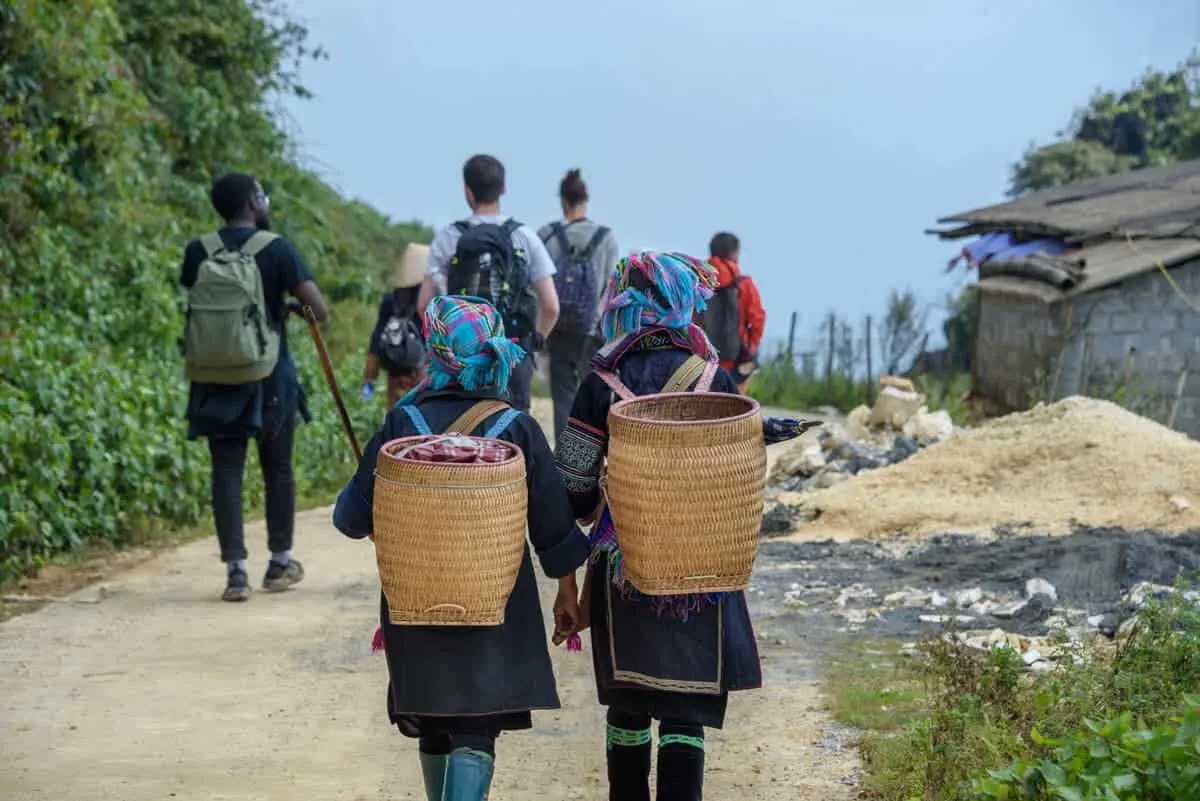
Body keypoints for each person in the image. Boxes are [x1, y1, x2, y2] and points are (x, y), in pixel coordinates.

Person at [332, 295, 590, 801]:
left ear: (436, 350)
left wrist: (395, 526)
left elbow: (349, 517)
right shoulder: (516, 428)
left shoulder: (400, 427)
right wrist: (567, 593)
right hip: (494, 611)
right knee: (476, 725)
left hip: (416, 608)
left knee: (434, 721)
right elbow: (554, 527)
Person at [554, 250, 767, 801]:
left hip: (626, 566)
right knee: (683, 710)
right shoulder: (715, 377)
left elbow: (574, 485)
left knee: (630, 703)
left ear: (622, 303)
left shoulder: (602, 380)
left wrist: (569, 577)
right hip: (702, 567)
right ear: (680, 302)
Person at [180, 172, 329, 602]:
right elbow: (318, 310)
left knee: (226, 469)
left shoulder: (199, 251)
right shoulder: (276, 248)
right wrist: (291, 307)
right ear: (251, 202)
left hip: (214, 375)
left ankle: (236, 572)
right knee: (277, 467)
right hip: (269, 373)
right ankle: (280, 563)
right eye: (261, 193)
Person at [418, 154, 560, 413]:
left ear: (467, 190)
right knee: (512, 434)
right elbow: (551, 306)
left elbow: (424, 305)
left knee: (459, 431)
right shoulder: (524, 236)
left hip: (460, 358)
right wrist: (529, 346)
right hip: (511, 351)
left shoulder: (448, 238)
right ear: (503, 189)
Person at [538, 169, 620, 441]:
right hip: (591, 329)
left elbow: (536, 282)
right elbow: (611, 286)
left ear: (563, 200)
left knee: (562, 394)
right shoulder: (606, 238)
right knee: (593, 393)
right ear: (586, 199)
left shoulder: (547, 235)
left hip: (557, 326)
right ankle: (592, 455)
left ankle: (565, 459)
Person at [694, 232, 765, 394]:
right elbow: (757, 319)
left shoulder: (698, 282)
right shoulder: (744, 284)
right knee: (735, 407)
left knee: (700, 403)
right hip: (735, 355)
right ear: (734, 253)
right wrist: (750, 346)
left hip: (702, 355)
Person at [362, 242, 429, 409]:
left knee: (395, 414)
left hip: (396, 369)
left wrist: (370, 378)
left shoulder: (391, 300)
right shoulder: (429, 301)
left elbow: (377, 336)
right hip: (421, 370)